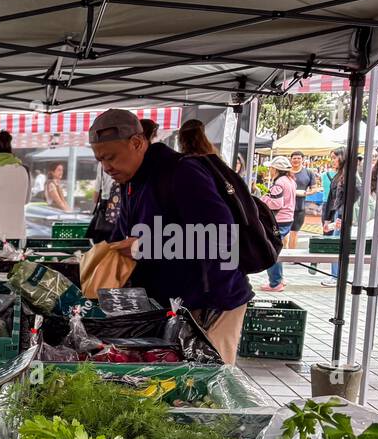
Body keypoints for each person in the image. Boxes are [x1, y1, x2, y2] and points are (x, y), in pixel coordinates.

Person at [90, 108, 252, 364]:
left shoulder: (182, 173)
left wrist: (144, 247)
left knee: (208, 384)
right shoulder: (131, 182)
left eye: (111, 157)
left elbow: (222, 239)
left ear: (137, 143)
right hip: (171, 304)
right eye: (100, 160)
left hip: (212, 302)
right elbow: (124, 237)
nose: (107, 167)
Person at [321, 149, 358, 288]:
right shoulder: (340, 175)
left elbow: (352, 196)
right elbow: (332, 197)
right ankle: (337, 276)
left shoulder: (348, 175)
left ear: (341, 158)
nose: (332, 161)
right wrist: (328, 218)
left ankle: (337, 276)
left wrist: (341, 216)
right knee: (336, 244)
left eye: (334, 158)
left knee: (337, 245)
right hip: (337, 214)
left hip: (341, 215)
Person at [259, 155, 295, 292]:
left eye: (271, 168)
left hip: (278, 220)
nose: (270, 170)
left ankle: (275, 282)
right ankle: (278, 279)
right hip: (288, 218)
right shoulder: (290, 181)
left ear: (276, 169)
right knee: (276, 248)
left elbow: (276, 203)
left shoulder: (279, 183)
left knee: (270, 250)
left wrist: (263, 200)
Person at [288, 151, 315, 244]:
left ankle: (291, 256)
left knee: (294, 232)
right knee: (283, 232)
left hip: (299, 207)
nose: (296, 160)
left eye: (299, 158)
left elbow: (313, 189)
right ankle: (282, 253)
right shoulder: (285, 172)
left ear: (302, 160)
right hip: (284, 207)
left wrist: (305, 193)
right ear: (290, 160)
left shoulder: (309, 173)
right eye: (294, 158)